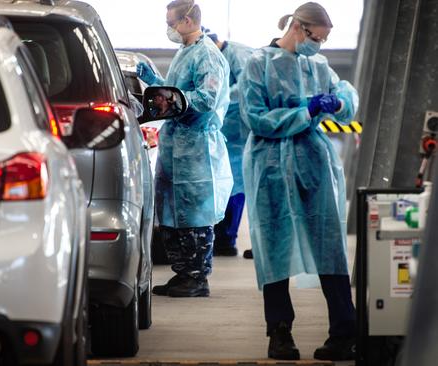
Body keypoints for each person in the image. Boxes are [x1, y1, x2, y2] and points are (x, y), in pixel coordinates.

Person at [238, 2, 358, 361]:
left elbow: (346, 95)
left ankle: (345, 331)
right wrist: (304, 111)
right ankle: (279, 334)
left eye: (322, 41)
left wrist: (338, 102)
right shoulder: (258, 64)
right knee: (274, 249)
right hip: (271, 167)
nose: (317, 47)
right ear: (298, 28)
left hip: (313, 164)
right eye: (316, 38)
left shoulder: (317, 65)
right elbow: (256, 118)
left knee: (329, 246)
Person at [136, 0, 233, 298]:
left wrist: (172, 99)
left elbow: (206, 98)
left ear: (189, 20)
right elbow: (176, 89)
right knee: (173, 216)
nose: (170, 29)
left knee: (195, 218)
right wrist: (154, 82)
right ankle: (182, 274)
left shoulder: (207, 55)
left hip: (197, 148)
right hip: (176, 144)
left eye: (172, 23)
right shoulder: (186, 52)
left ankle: (197, 278)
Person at [203, 28, 255, 259]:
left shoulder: (238, 53)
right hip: (228, 128)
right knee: (227, 182)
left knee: (235, 184)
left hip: (240, 131)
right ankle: (224, 238)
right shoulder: (217, 54)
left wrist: (219, 97)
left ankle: (227, 239)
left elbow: (247, 87)